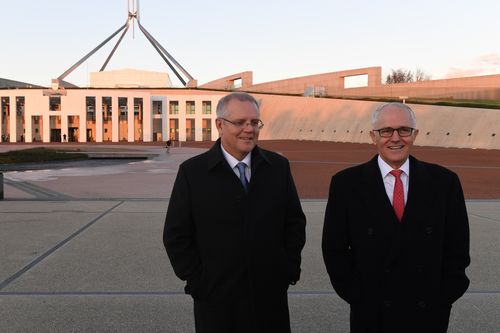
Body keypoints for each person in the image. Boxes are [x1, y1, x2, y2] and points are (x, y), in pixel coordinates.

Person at [164, 92, 306, 333]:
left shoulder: (278, 167)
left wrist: (287, 270)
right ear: (219, 125)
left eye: (254, 122)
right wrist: (198, 281)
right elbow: (176, 235)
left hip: (269, 297)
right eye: (240, 122)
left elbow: (294, 223)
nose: (249, 129)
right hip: (216, 301)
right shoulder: (192, 172)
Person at [322, 102, 470, 333]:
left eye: (404, 130)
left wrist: (444, 295)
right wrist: (357, 296)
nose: (395, 138)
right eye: (386, 131)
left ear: (415, 134)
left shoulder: (445, 182)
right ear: (373, 136)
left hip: (429, 312)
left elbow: (458, 247)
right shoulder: (345, 184)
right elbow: (334, 249)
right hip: (372, 313)